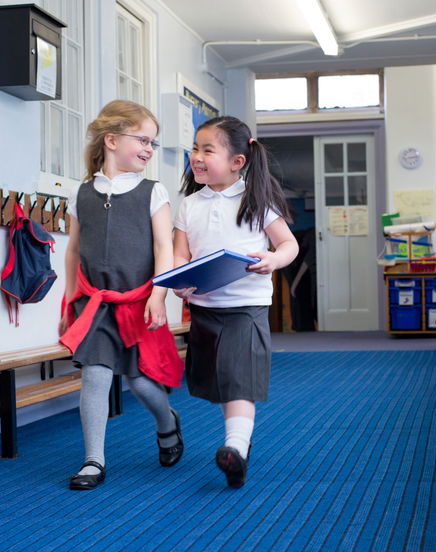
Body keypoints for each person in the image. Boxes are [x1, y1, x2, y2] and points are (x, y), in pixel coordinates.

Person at [59, 100, 185, 490]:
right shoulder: (80, 193)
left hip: (138, 302)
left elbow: (164, 247)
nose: (149, 149)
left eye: (152, 142)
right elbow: (74, 250)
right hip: (94, 303)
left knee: (141, 381)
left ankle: (168, 422)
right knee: (94, 377)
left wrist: (159, 295)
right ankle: (93, 460)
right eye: (143, 140)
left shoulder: (153, 190)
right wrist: (69, 301)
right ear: (111, 140)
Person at [172, 116, 298, 488]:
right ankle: (239, 445)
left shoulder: (257, 201)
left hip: (246, 308)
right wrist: (181, 280)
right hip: (206, 310)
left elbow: (288, 244)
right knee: (222, 382)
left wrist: (274, 259)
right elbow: (181, 253)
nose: (196, 156)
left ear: (237, 161)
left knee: (239, 381)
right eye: (195, 148)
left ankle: (236, 448)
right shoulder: (189, 205)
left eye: (207, 149)